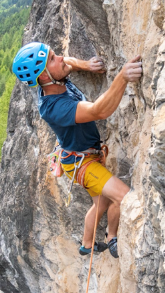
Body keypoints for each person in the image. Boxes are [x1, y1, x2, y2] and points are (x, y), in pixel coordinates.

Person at [12, 42, 142, 258]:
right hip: (83, 165)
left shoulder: (56, 78)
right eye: (53, 59)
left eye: (54, 54)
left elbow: (69, 62)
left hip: (80, 157)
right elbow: (99, 111)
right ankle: (112, 238)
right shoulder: (54, 108)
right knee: (124, 197)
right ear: (44, 76)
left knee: (101, 203)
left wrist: (87, 65)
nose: (61, 58)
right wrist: (123, 77)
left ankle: (88, 244)